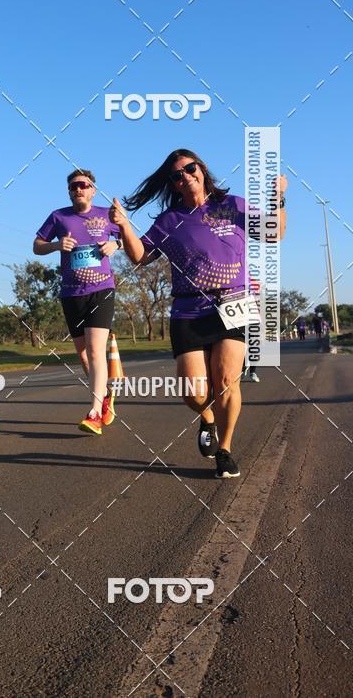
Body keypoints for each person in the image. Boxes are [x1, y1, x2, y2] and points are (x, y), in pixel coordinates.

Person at [110, 149, 287, 479]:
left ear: (202, 169)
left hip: (234, 304)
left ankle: (225, 450)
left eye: (190, 168)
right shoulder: (170, 220)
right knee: (194, 392)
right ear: (173, 184)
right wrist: (123, 226)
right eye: (177, 174)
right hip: (188, 309)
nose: (185, 175)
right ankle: (207, 418)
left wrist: (278, 198)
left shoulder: (231, 205)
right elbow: (140, 257)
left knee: (225, 381)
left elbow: (273, 233)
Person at [34, 169, 122, 435]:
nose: (78, 189)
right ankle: (105, 396)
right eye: (73, 186)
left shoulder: (106, 214)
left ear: (93, 189)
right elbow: (37, 245)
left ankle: (94, 412)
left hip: (101, 289)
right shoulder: (58, 216)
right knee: (84, 355)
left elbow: (127, 238)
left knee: (96, 351)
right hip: (71, 293)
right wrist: (56, 245)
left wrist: (115, 245)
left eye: (83, 185)